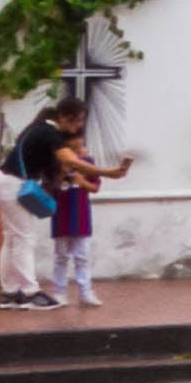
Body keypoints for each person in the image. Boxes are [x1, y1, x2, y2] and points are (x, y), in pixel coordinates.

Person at [0, 99, 78, 310]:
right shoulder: (49, 132)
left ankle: (9, 293)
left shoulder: (35, 128)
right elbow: (69, 161)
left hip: (1, 181)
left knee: (12, 238)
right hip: (12, 184)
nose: (78, 126)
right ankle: (30, 293)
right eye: (78, 120)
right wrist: (108, 172)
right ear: (63, 117)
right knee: (24, 237)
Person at [52, 118, 135, 301]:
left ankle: (85, 292)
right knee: (61, 256)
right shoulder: (57, 162)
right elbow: (50, 185)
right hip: (61, 215)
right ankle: (59, 293)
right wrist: (61, 174)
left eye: (81, 145)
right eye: (73, 147)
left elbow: (95, 188)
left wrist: (81, 182)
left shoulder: (88, 163)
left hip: (80, 215)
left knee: (82, 256)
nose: (79, 150)